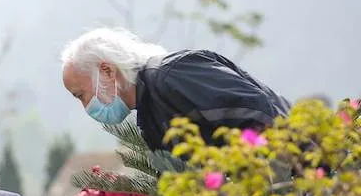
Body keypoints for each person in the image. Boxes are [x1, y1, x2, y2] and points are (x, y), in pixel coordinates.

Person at [61, 27, 290, 150]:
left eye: (81, 95)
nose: (86, 106)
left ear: (108, 71)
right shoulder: (149, 111)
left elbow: (257, 111)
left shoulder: (173, 74)